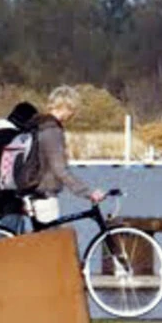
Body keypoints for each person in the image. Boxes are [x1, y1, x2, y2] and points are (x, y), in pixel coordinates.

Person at [26, 86, 104, 225]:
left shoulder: (38, 125)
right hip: (45, 196)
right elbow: (60, 170)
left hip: (33, 191)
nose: (73, 114)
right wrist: (88, 192)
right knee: (51, 243)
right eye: (72, 109)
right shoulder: (51, 130)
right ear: (65, 106)